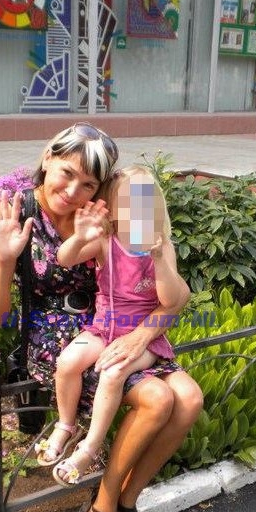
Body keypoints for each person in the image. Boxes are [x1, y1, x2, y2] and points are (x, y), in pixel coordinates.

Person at [0, 122, 203, 512]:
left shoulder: (113, 216)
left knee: (190, 399)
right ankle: (103, 507)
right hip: (57, 339)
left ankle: (123, 502)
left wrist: (141, 337)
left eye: (88, 183)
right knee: (159, 398)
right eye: (67, 174)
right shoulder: (20, 214)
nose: (74, 191)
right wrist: (2, 257)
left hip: (126, 332)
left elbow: (171, 298)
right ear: (48, 158)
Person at [47, 165, 183, 490]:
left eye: (144, 202)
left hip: (144, 339)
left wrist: (159, 258)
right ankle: (65, 425)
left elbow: (170, 299)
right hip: (103, 329)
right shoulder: (107, 241)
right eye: (128, 202)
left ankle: (88, 448)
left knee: (113, 372)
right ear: (113, 207)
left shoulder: (163, 246)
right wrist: (80, 237)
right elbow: (64, 259)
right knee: (67, 362)